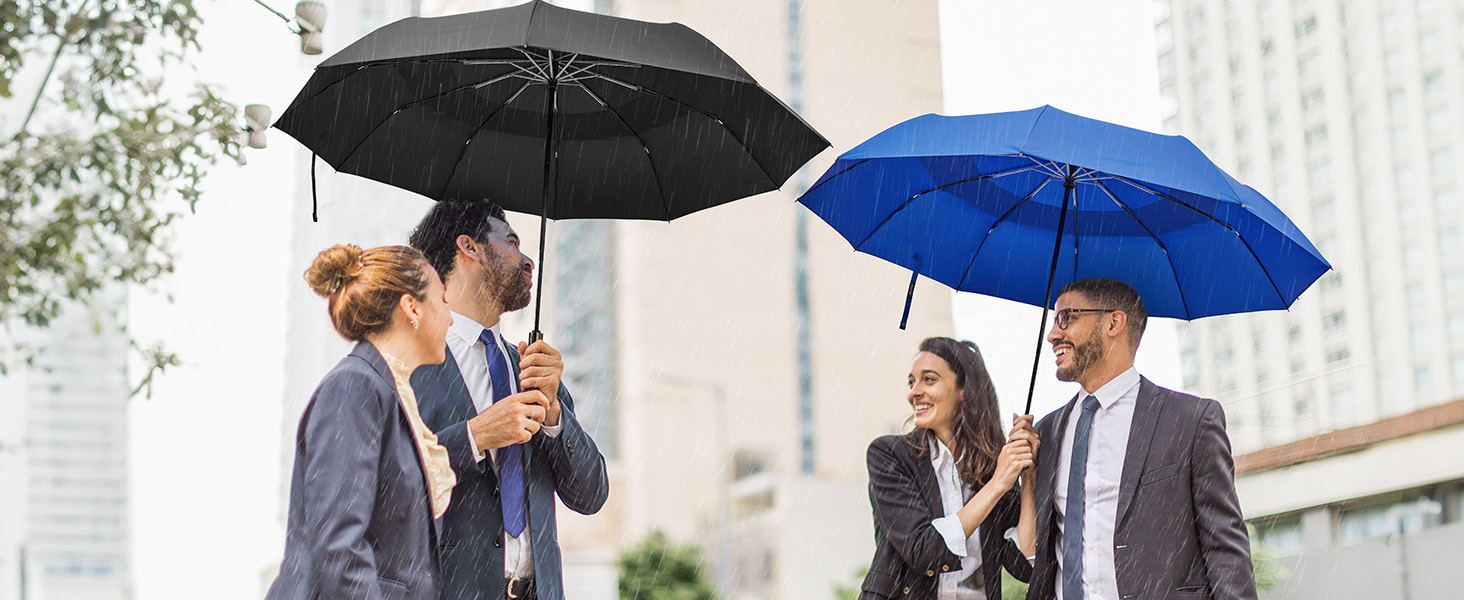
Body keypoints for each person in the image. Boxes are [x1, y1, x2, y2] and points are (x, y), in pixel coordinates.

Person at [408, 198, 609, 600]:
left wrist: (554, 415)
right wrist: (475, 436)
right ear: (469, 248)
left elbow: (591, 495)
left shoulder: (532, 370)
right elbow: (387, 483)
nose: (528, 260)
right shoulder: (409, 363)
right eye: (512, 242)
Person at [1017, 278, 1256, 600]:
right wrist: (1023, 478)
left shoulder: (1190, 421)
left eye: (1066, 318)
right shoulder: (1044, 433)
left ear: (1114, 322)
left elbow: (1224, 549)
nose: (1053, 334)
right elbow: (1035, 553)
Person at [267, 244, 457, 600]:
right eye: (443, 301)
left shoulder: (392, 395)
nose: (450, 318)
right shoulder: (355, 387)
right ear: (411, 307)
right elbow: (339, 546)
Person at [862, 337, 1038, 600]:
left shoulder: (995, 466)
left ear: (964, 388)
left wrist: (1028, 477)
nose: (914, 392)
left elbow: (1023, 565)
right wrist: (997, 485)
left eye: (928, 380)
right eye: (912, 382)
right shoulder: (889, 456)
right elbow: (923, 551)